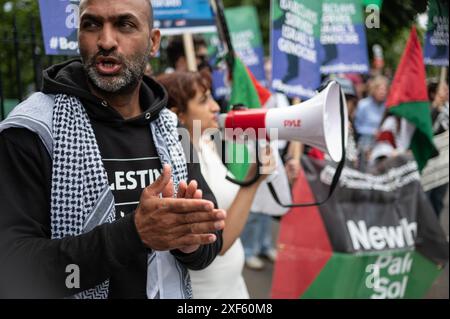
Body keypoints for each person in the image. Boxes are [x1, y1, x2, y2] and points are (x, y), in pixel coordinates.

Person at [0, 0, 225, 299]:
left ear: (153, 41)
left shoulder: (173, 128)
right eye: (91, 25)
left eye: (125, 24)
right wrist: (133, 234)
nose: (106, 41)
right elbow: (12, 271)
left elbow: (211, 240)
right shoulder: (32, 131)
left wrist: (189, 241)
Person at [157, 71, 275, 298]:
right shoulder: (178, 166)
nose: (214, 107)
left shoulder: (207, 143)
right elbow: (216, 243)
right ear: (176, 114)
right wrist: (252, 183)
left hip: (233, 287)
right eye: (203, 101)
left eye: (211, 97)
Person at [354, 75, 389, 169]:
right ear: (374, 89)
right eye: (380, 89)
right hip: (365, 145)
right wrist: (372, 131)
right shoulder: (363, 105)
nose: (383, 92)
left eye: (385, 90)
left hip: (381, 146)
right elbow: (357, 126)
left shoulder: (387, 106)